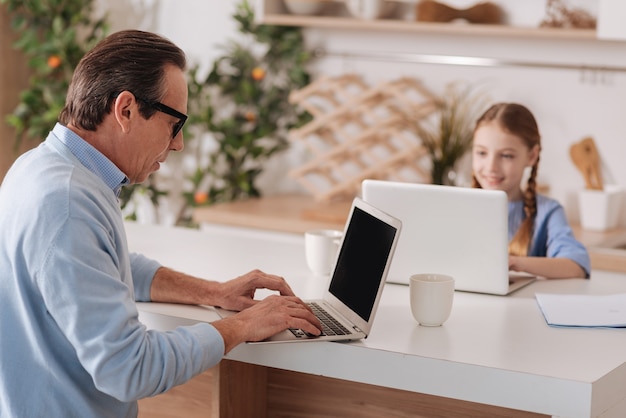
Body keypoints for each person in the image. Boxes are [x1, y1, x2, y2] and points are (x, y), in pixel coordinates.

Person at [0, 30, 322, 417]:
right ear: (126, 110)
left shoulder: (39, 168)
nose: (178, 143)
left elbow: (108, 267)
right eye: (175, 123)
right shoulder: (68, 202)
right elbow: (129, 369)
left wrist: (214, 291)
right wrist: (242, 326)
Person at [471, 102, 590, 279]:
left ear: (531, 156)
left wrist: (516, 263)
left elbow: (576, 266)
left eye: (506, 156)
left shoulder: (547, 212)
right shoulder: (458, 208)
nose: (491, 167)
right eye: (482, 153)